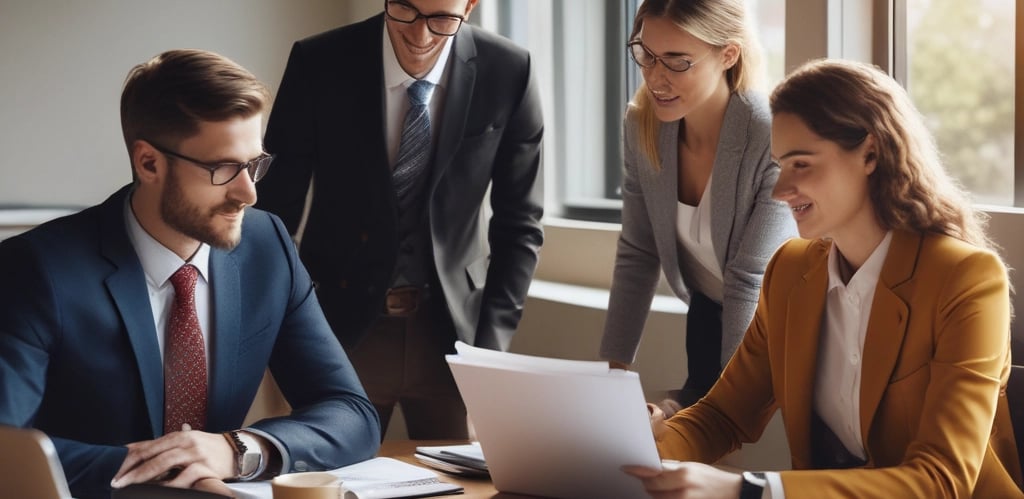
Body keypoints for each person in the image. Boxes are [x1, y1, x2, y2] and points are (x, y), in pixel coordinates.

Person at [623, 58, 1021, 498]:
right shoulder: (789, 271)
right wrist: (646, 446)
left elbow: (941, 479)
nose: (779, 190)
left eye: (802, 164)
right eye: (780, 166)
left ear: (870, 153)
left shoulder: (966, 280)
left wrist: (750, 490)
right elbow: (723, 415)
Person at [0, 49, 381, 499]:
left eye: (255, 164)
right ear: (149, 163)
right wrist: (167, 467)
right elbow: (7, 445)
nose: (249, 193)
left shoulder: (268, 246)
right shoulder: (36, 269)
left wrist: (235, 451)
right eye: (223, 168)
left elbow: (351, 412)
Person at [257, 0, 544, 439]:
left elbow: (520, 224)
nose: (421, 35)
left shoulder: (510, 69)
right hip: (338, 329)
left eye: (441, 19)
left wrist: (489, 353)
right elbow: (273, 214)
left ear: (470, 6)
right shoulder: (319, 61)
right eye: (406, 10)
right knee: (335, 481)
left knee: (458, 486)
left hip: (456, 339)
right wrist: (282, 330)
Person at [600, 0, 797, 411]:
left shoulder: (769, 134)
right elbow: (638, 252)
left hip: (782, 325)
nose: (655, 78)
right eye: (647, 55)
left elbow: (749, 276)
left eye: (677, 62)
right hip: (709, 312)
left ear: (728, 55)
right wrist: (612, 378)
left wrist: (721, 415)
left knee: (713, 437)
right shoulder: (643, 126)